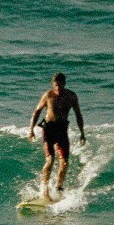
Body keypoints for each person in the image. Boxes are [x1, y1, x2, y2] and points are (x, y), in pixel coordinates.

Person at [28, 72, 86, 200]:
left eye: (60, 85)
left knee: (64, 162)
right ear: (52, 84)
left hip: (62, 129)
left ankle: (59, 188)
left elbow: (78, 114)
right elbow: (37, 111)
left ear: (64, 84)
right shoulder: (48, 95)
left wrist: (82, 132)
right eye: (56, 85)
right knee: (50, 160)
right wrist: (31, 129)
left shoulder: (71, 96)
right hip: (49, 128)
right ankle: (44, 190)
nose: (58, 88)